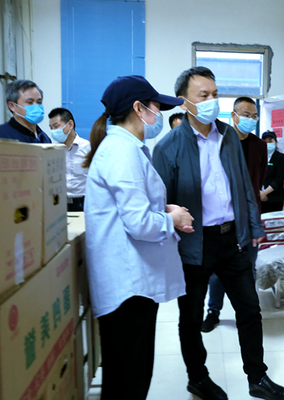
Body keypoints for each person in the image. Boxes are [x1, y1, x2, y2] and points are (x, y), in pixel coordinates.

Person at [153, 66, 284, 400]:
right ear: (184, 101)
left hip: (233, 240)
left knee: (249, 309)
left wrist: (254, 227)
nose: (211, 100)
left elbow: (243, 185)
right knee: (191, 317)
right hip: (194, 243)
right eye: (204, 95)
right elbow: (160, 203)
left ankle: (257, 377)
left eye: (215, 94)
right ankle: (197, 378)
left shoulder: (228, 136)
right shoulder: (168, 147)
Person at [84, 75, 193, 400]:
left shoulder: (126, 148)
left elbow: (131, 207)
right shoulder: (122, 151)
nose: (158, 115)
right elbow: (139, 223)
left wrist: (165, 208)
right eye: (156, 107)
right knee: (129, 379)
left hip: (131, 283)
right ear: (138, 108)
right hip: (128, 287)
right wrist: (172, 219)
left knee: (129, 373)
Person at [202, 97, 267, 333]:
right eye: (246, 115)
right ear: (234, 115)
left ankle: (247, 313)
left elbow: (258, 180)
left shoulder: (260, 146)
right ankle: (213, 311)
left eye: (254, 116)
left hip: (250, 217)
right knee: (217, 271)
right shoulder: (221, 141)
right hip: (224, 217)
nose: (251, 119)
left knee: (249, 266)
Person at [48, 107, 91, 211]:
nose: (53, 131)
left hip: (83, 201)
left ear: (70, 124)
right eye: (51, 128)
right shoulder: (53, 151)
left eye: (56, 126)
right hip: (59, 202)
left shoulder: (88, 148)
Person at [0, 79, 52, 143]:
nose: (36, 106)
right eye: (30, 102)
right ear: (12, 106)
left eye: (39, 102)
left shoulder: (45, 138)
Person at [260, 131, 284, 213]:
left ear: (275, 143)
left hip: (274, 198)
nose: (267, 143)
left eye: (270, 141)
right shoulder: (257, 157)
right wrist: (259, 193)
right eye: (265, 141)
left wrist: (264, 193)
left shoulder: (281, 157)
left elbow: (278, 179)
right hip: (258, 197)